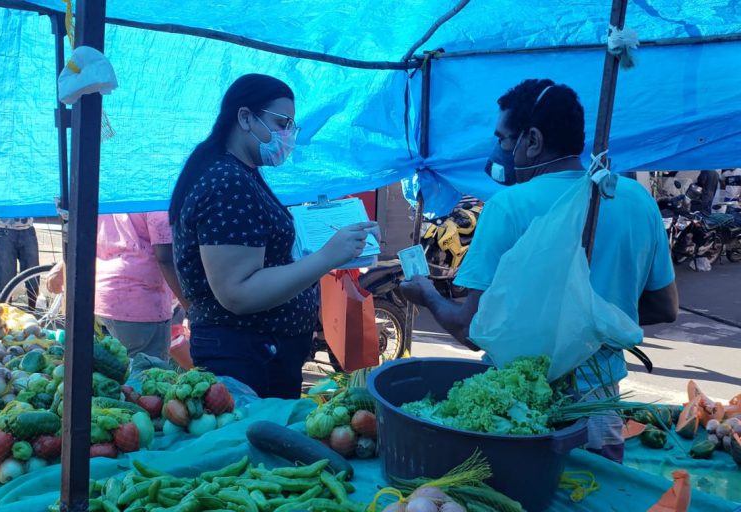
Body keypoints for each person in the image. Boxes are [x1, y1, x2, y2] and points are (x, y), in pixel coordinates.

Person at [401, 79, 678, 463]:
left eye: (503, 139)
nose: (500, 150)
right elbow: (665, 308)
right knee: (594, 498)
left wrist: (427, 295)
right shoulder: (636, 200)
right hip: (598, 409)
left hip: (518, 412)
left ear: (531, 140)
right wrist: (591, 320)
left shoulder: (508, 207)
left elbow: (472, 330)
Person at [169, 74, 377, 399]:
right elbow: (238, 292)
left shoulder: (241, 173)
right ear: (245, 118)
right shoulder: (228, 182)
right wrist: (326, 257)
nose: (288, 135)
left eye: (291, 126)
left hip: (260, 351)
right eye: (281, 123)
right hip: (247, 355)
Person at [46, 212, 189, 360]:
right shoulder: (153, 199)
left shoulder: (105, 194)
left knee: (111, 375)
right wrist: (190, 305)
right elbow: (166, 256)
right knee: (145, 374)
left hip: (100, 298)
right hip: (140, 303)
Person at [0, 217, 39, 305]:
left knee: (33, 274)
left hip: (28, 228)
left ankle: (33, 312)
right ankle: (5, 312)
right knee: (4, 277)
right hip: (3, 228)